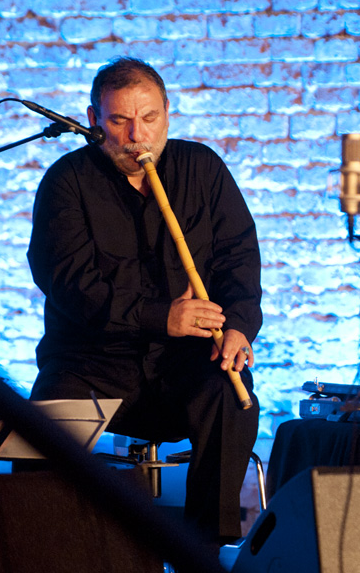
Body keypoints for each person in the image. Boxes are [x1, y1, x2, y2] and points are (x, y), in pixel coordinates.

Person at [27, 57, 262, 546]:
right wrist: (161, 316)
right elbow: (69, 284)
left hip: (184, 362)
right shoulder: (66, 182)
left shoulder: (202, 168)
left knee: (231, 398)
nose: (138, 136)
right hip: (91, 361)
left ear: (167, 114)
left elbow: (239, 256)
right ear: (94, 121)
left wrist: (239, 326)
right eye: (120, 121)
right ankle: (45, 549)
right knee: (39, 430)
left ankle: (205, 549)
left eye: (150, 118)